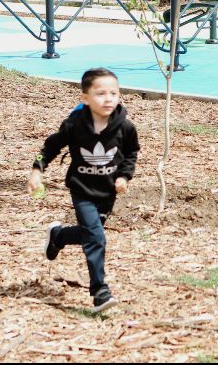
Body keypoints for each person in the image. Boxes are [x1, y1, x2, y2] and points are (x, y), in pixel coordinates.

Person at [27, 68, 140, 313]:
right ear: (85, 98)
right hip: (82, 189)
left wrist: (124, 175)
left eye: (113, 93)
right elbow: (50, 147)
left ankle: (58, 236)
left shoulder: (125, 127)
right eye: (101, 93)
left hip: (108, 192)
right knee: (96, 237)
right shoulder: (74, 125)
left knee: (89, 233)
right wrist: (37, 170)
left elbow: (131, 153)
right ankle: (100, 292)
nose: (108, 99)